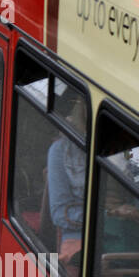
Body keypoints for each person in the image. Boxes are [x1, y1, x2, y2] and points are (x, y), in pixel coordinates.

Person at [46, 93, 88, 264]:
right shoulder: (62, 151)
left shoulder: (130, 153)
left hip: (128, 234)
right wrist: (103, 217)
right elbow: (60, 214)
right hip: (79, 234)